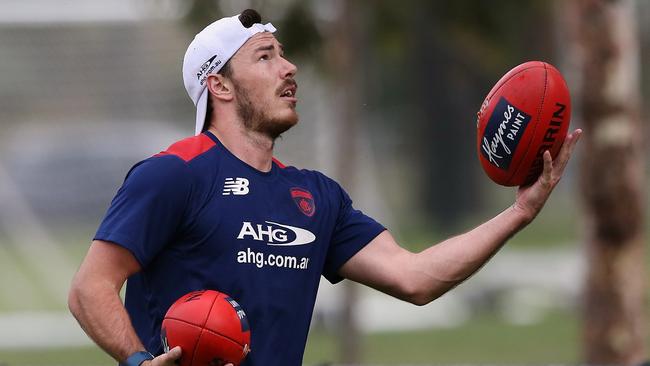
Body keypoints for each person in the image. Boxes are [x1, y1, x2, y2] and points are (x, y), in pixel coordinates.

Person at [68, 9, 582, 366]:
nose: (290, 67)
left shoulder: (317, 198)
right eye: (265, 56)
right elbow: (89, 289)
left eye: (285, 55)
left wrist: (520, 213)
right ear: (219, 85)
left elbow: (416, 278)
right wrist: (138, 360)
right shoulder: (174, 173)